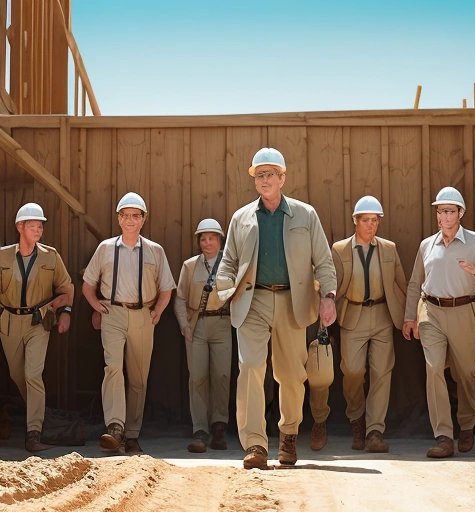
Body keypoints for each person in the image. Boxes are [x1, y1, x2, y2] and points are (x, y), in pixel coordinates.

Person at [216, 147, 337, 469]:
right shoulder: (241, 218)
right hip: (251, 302)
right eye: (259, 175)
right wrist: (226, 289)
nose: (264, 179)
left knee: (291, 375)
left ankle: (288, 435)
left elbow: (323, 261)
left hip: (291, 302)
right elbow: (227, 261)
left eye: (270, 174)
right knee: (251, 367)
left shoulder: (305, 214)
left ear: (283, 178)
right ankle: (255, 444)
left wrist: (328, 296)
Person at [402, 186, 475, 458]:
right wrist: (410, 316)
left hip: (464, 312)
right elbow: (414, 283)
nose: (444, 216)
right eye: (440, 211)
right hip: (431, 313)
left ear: (460, 213)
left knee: (468, 372)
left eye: (449, 211)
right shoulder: (426, 245)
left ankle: (467, 424)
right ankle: (444, 436)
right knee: (434, 369)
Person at [82, 192, 175, 455]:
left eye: (136, 215)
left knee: (138, 376)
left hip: (143, 314)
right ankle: (115, 427)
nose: (131, 220)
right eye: (126, 215)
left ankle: (132, 434)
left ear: (144, 219)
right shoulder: (105, 248)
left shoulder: (155, 250)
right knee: (112, 367)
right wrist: (96, 305)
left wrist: (157, 311)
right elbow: (88, 284)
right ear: (119, 219)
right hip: (113, 313)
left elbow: (166, 288)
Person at [326, 196, 407, 453]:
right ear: (355, 221)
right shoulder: (339, 249)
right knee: (352, 370)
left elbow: (400, 284)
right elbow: (329, 283)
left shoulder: (388, 248)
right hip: (353, 314)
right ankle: (356, 418)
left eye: (375, 221)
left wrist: (408, 316)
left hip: (383, 314)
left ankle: (374, 431)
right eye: (366, 221)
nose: (371, 226)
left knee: (382, 372)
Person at [0, 203, 74, 452]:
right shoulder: (2, 256)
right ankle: (41, 412)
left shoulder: (50, 256)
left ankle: (34, 432)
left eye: (41, 225)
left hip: (38, 321)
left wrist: (66, 314)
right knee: (16, 375)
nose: (38, 229)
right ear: (20, 227)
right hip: (8, 321)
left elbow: (66, 289)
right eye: (33, 225)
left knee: (33, 374)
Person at [174, 218, 232, 453]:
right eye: (203, 238)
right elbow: (180, 298)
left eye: (212, 238)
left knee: (222, 375)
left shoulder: (229, 265)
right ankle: (200, 429)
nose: (207, 242)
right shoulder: (190, 266)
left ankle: (219, 425)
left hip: (222, 322)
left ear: (220, 240)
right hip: (197, 324)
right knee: (197, 376)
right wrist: (184, 324)